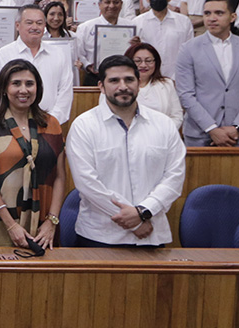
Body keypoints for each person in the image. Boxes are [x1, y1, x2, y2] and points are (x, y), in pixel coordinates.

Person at [66, 56, 186, 247]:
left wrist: (144, 211)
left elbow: (175, 177)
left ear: (139, 83)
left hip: (152, 233)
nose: (123, 86)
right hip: (100, 237)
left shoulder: (163, 124)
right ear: (101, 86)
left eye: (129, 80)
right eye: (114, 81)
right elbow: (87, 182)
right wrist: (134, 221)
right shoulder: (84, 125)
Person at [0, 59, 67, 248]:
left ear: (37, 89)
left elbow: (59, 177)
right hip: (0, 219)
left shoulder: (51, 124)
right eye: (16, 83)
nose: (23, 90)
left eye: (29, 84)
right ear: (4, 89)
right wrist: (11, 225)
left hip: (44, 222)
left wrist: (52, 221)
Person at [176, 0, 239, 147]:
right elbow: (185, 94)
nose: (212, 18)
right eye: (207, 13)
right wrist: (211, 128)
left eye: (219, 13)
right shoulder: (188, 49)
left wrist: (237, 127)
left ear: (233, 17)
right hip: (199, 134)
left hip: (237, 135)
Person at [0, 6, 75, 124]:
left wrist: (51, 122)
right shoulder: (3, 54)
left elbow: (65, 92)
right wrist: (16, 121)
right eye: (29, 23)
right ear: (17, 25)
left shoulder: (58, 54)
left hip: (50, 124)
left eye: (39, 23)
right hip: (13, 125)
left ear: (45, 26)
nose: (35, 27)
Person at [100, 43, 184, 129]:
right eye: (137, 61)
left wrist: (162, 133)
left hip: (161, 136)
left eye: (148, 61)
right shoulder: (113, 87)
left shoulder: (167, 84)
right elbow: (106, 116)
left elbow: (176, 116)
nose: (143, 65)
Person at [131, 0, 193, 78]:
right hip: (147, 76)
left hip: (176, 75)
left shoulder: (184, 21)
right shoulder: (137, 22)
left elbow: (189, 50)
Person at [74, 0, 133, 81]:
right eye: (107, 2)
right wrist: (88, 66)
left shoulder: (130, 27)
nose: (112, 6)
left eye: (116, 2)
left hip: (124, 76)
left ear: (121, 4)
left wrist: (136, 46)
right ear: (99, 4)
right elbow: (79, 53)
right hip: (95, 76)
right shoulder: (85, 27)